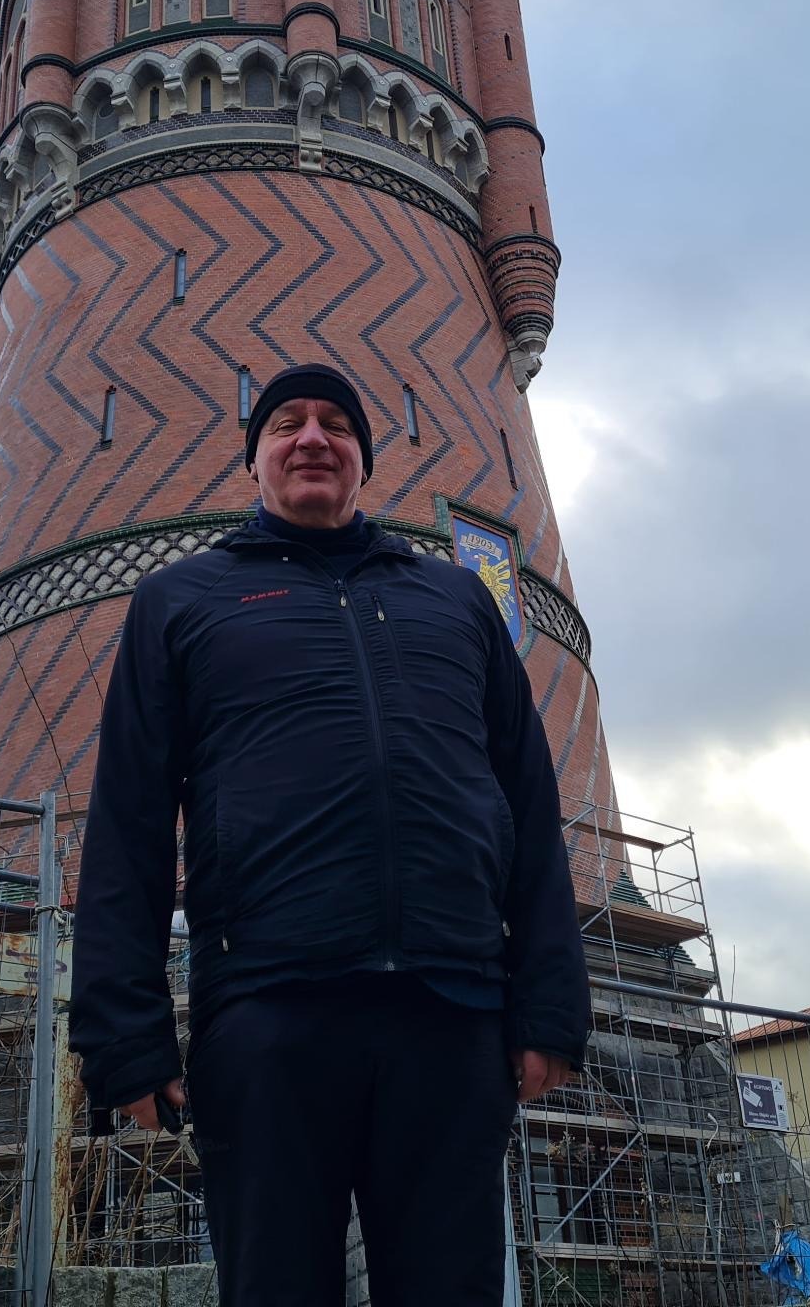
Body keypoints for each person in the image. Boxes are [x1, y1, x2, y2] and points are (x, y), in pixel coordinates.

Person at [71, 362, 590, 1306]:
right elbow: (129, 825)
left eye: (336, 425)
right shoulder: (183, 600)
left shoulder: (458, 600)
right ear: (254, 461)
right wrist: (122, 1037)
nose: (312, 438)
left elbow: (528, 801)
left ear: (363, 461)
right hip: (270, 1009)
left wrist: (549, 1004)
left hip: (453, 1008)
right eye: (286, 424)